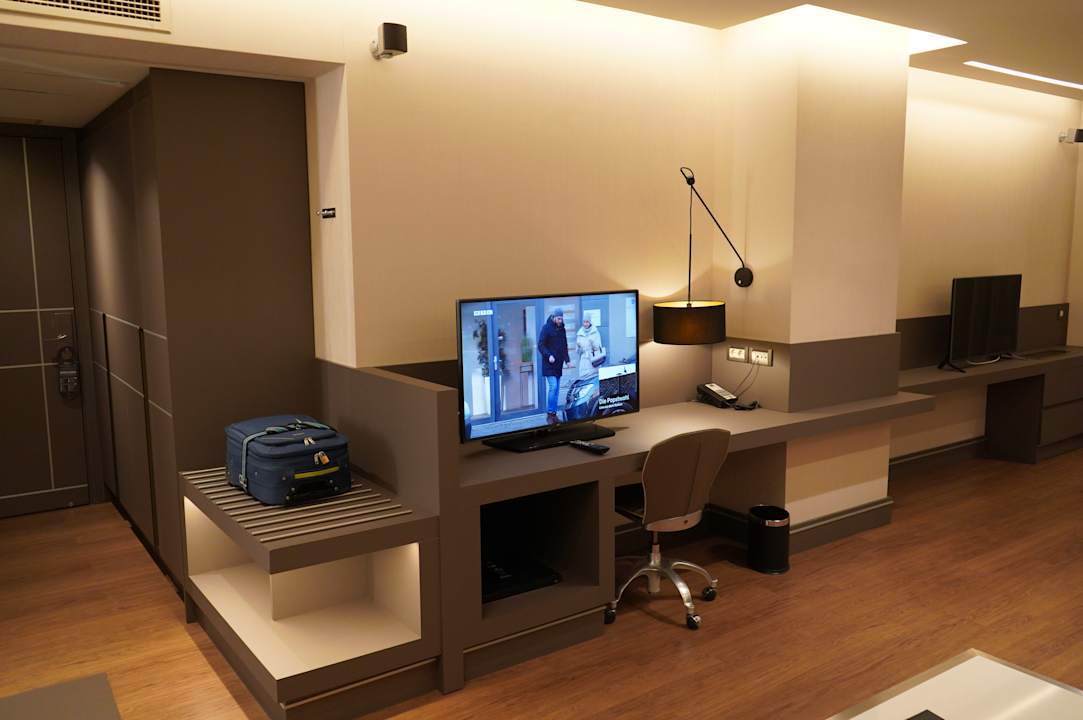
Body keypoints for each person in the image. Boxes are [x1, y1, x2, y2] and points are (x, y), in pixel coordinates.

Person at [537, 308, 571, 424]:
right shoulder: (546, 328)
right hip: (549, 364)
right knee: (553, 386)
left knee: (556, 390)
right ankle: (550, 414)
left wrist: (567, 360)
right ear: (554, 317)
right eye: (558, 318)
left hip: (558, 364)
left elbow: (565, 346)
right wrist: (549, 355)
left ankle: (554, 415)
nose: (560, 321)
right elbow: (540, 345)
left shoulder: (562, 329)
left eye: (561, 318)